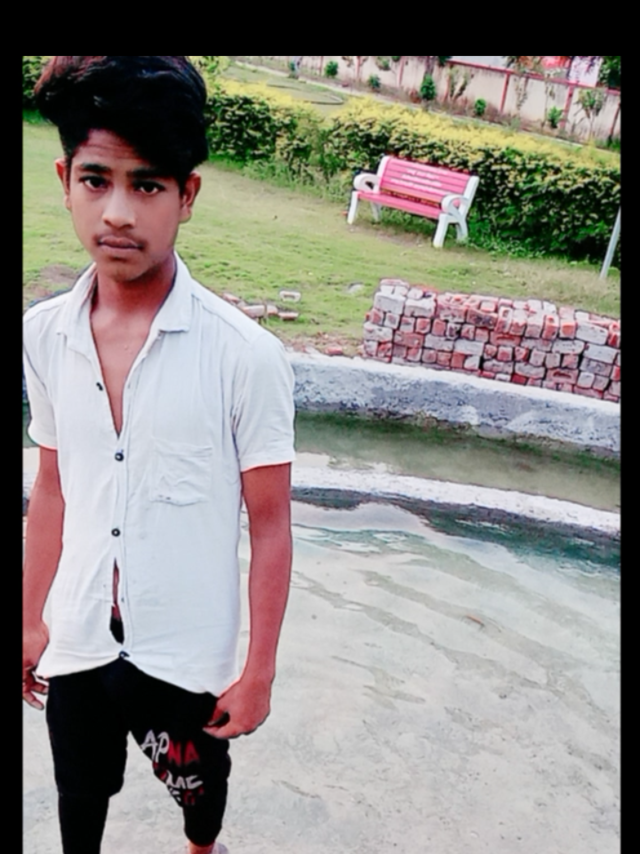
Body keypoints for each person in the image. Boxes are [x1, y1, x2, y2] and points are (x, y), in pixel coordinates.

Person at [22, 56, 295, 854]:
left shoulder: (245, 357)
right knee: (79, 797)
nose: (117, 212)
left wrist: (259, 671)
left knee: (198, 795)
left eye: (146, 186)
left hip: (182, 650)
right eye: (96, 179)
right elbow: (53, 485)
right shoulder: (44, 335)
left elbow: (270, 525)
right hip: (79, 635)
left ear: (187, 195)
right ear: (66, 179)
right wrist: (29, 617)